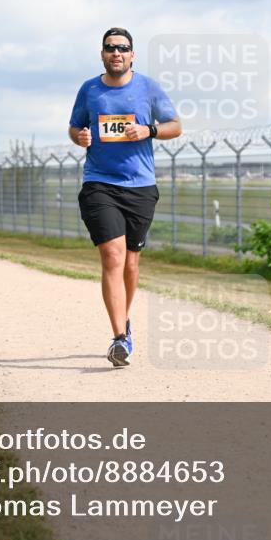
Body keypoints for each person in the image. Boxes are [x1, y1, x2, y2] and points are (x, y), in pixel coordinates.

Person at [68, 27, 182, 366]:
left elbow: (176, 125)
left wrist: (149, 130)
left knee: (131, 263)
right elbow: (74, 127)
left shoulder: (147, 88)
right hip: (99, 184)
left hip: (140, 187)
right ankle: (119, 338)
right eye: (110, 48)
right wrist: (81, 137)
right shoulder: (90, 90)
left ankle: (125, 323)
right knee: (113, 256)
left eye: (123, 48)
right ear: (102, 54)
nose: (116, 53)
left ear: (132, 55)